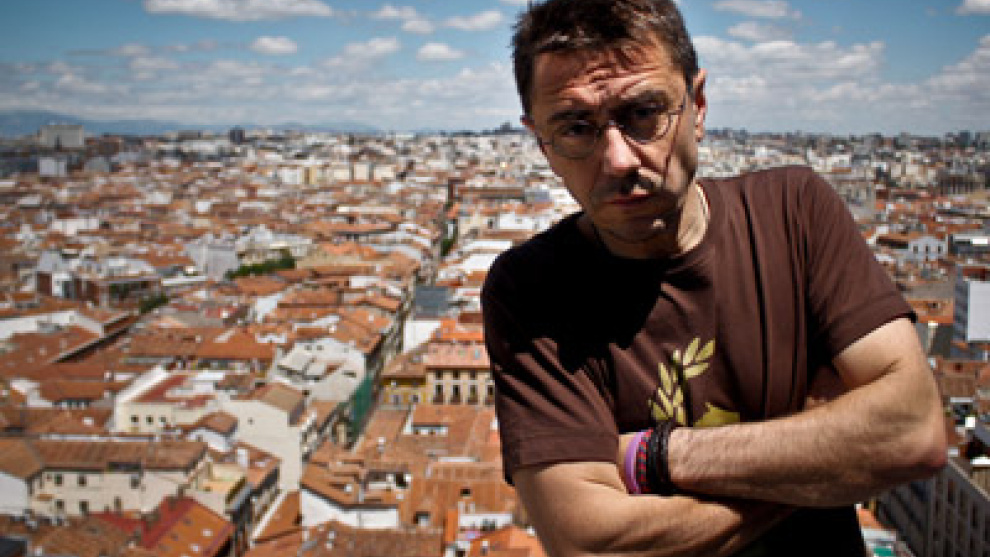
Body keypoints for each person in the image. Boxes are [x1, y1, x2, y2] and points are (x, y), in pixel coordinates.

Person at [480, 0, 948, 555]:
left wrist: (651, 457)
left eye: (644, 113)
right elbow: (594, 543)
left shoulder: (794, 212)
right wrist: (823, 457)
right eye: (576, 127)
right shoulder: (531, 291)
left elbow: (913, 430)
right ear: (541, 142)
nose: (618, 159)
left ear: (697, 106)